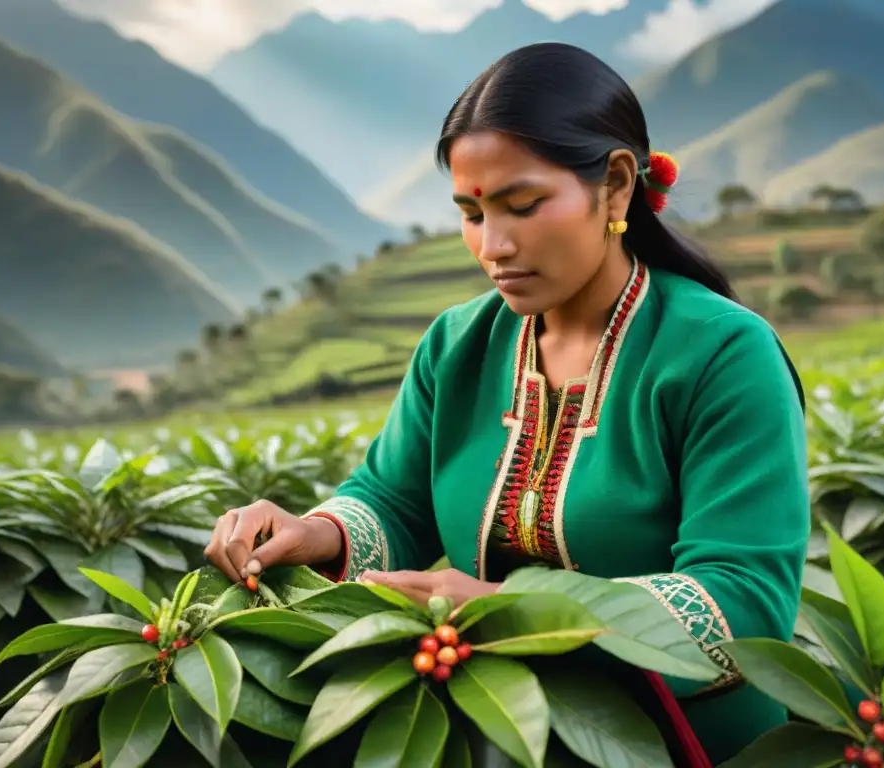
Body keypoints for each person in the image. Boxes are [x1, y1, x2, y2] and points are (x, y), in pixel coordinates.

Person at [205, 42, 810, 767]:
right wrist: (314, 534)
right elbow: (393, 500)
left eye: (523, 206)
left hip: (692, 743)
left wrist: (505, 607)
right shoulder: (457, 344)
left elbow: (742, 601)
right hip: (486, 728)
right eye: (470, 213)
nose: (493, 246)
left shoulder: (723, 354)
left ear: (615, 186)